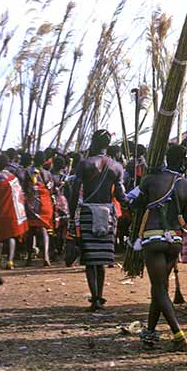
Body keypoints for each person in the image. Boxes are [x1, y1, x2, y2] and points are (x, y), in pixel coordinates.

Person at [132, 144, 187, 350]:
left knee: (159, 288)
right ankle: (149, 332)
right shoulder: (186, 185)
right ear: (183, 161)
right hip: (174, 241)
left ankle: (178, 334)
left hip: (152, 238)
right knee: (161, 289)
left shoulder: (150, 179)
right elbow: (185, 215)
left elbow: (134, 203)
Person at [69, 131, 127, 311]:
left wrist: (72, 216)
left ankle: (94, 298)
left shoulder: (85, 164)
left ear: (93, 142)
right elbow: (121, 195)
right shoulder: (116, 167)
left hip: (87, 212)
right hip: (107, 213)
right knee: (101, 257)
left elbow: (74, 192)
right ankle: (100, 296)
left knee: (89, 257)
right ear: (108, 145)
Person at [0, 151, 28, 269]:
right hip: (13, 210)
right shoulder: (12, 176)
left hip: (0, 208)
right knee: (11, 235)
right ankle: (10, 261)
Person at [24, 151, 55, 267]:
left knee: (31, 230)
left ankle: (29, 259)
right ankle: (45, 256)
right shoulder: (48, 174)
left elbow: (24, 187)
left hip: (32, 203)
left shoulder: (28, 172)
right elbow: (51, 189)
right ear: (44, 161)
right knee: (43, 229)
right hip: (45, 203)